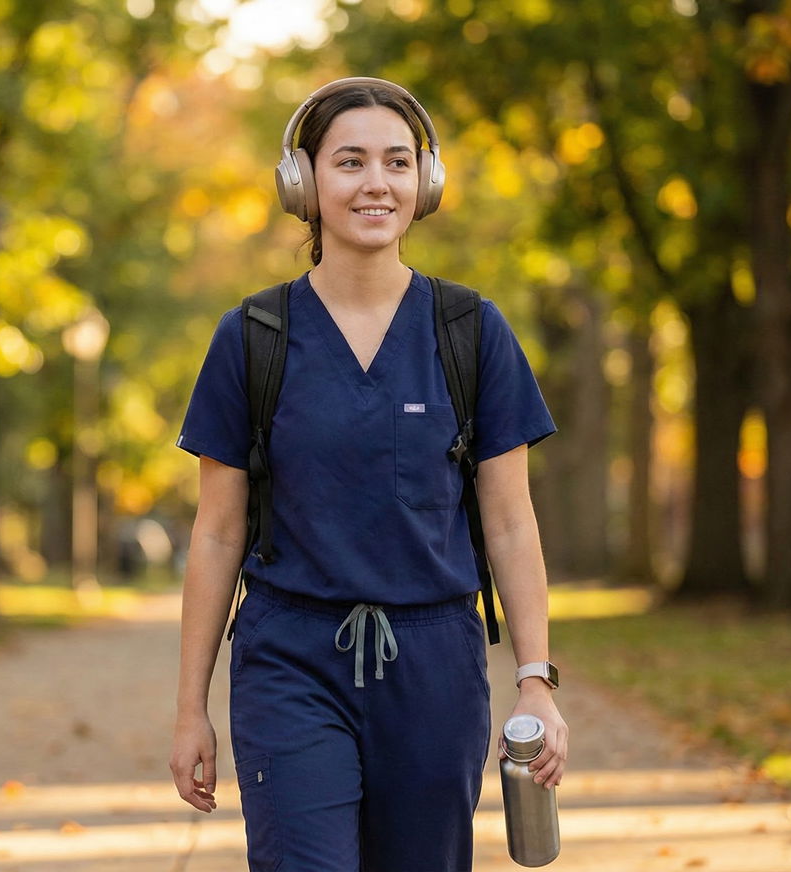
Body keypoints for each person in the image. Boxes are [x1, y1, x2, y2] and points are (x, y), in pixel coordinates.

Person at [169, 77, 568, 871]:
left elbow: (510, 521)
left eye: (397, 161)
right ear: (303, 183)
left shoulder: (470, 331)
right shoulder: (253, 337)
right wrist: (191, 710)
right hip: (290, 658)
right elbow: (216, 533)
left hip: (435, 667)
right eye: (349, 162)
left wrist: (536, 682)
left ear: (426, 181)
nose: (376, 183)